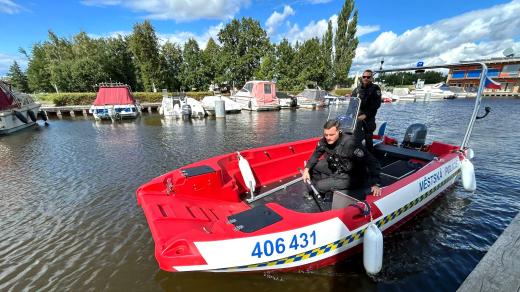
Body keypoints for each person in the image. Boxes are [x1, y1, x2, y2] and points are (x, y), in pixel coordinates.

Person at [302, 120, 382, 200]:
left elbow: (372, 162)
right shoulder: (325, 140)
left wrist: (376, 183)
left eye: (331, 135)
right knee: (314, 166)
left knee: (320, 185)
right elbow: (316, 155)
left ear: (339, 131)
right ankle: (325, 188)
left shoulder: (350, 144)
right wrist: (306, 169)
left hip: (352, 176)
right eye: (326, 135)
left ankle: (324, 189)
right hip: (338, 167)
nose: (328, 138)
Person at [351, 69, 382, 152]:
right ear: (362, 78)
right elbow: (352, 103)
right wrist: (349, 115)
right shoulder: (357, 89)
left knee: (368, 137)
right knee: (354, 136)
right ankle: (354, 154)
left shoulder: (375, 89)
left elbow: (377, 104)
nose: (366, 78)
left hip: (369, 117)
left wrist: (366, 115)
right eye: (364, 77)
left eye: (368, 77)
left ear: (371, 78)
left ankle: (370, 156)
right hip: (357, 116)